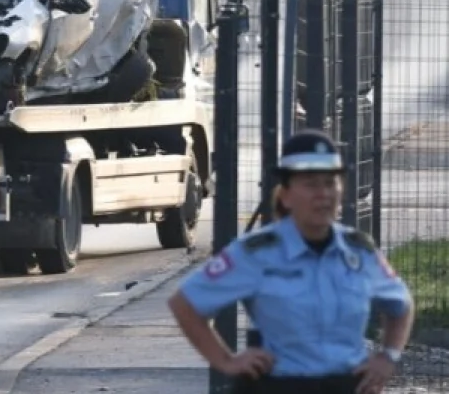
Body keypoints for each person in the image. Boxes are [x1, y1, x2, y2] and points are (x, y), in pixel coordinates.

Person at [167, 128, 415, 394]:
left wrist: (389, 356)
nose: (323, 194)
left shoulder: (359, 251)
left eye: (330, 183)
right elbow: (185, 304)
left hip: (346, 385)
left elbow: (401, 305)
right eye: (310, 184)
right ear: (285, 195)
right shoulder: (257, 253)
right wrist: (226, 361)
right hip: (281, 385)